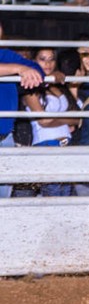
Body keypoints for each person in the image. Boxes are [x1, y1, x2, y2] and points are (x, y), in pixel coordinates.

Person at [22, 48, 81, 196]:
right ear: (34, 61)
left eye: (51, 59)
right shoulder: (31, 88)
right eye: (42, 59)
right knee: (53, 194)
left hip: (66, 143)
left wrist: (57, 119)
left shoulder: (58, 84)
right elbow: (44, 121)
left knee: (66, 195)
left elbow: (77, 118)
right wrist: (66, 119)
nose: (48, 63)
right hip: (46, 144)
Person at [0, 48, 45, 198]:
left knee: (4, 198)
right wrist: (19, 69)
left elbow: (37, 70)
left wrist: (29, 72)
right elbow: (25, 67)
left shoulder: (5, 54)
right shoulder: (11, 61)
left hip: (5, 136)